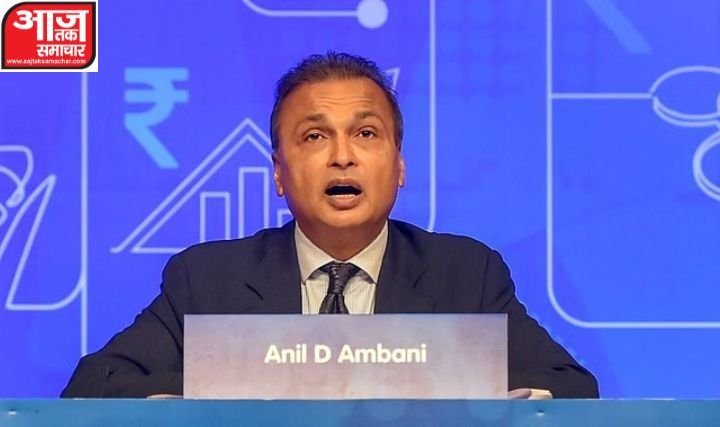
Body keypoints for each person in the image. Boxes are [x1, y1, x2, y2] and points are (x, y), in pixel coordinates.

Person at [61, 52, 598, 398]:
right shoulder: (207, 279)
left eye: (366, 134)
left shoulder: (465, 274)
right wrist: (238, 382)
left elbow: (571, 389)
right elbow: (92, 387)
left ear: (399, 165)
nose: (343, 156)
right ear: (278, 173)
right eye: (315, 137)